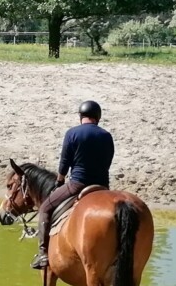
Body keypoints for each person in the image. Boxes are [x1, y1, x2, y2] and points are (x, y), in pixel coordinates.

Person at [31, 100, 115, 271]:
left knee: (45, 208)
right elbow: (108, 161)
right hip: (102, 186)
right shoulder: (106, 136)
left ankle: (43, 253)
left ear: (81, 116)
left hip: (78, 184)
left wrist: (60, 180)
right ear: (98, 117)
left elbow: (64, 162)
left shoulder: (72, 133)